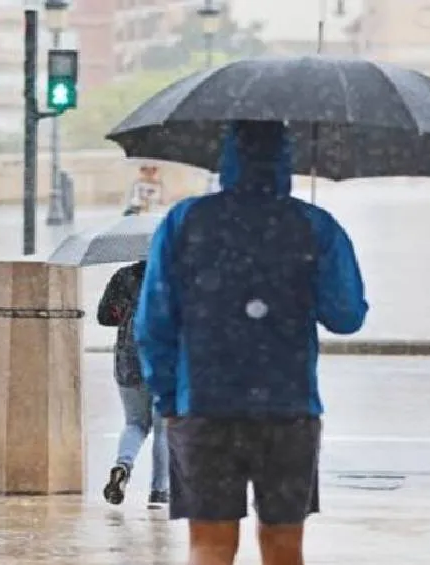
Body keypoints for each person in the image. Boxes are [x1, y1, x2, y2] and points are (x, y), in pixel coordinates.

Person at [135, 120, 368, 565]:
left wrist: (170, 399)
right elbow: (346, 316)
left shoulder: (185, 221)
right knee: (283, 547)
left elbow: (153, 322)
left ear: (226, 158)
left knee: (209, 545)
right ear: (286, 160)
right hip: (289, 408)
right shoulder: (314, 225)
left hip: (203, 405)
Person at [98, 260, 169, 509]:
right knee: (164, 429)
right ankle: (159, 492)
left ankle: (123, 465)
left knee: (135, 424)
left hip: (129, 359)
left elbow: (104, 316)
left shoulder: (124, 275)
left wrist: (125, 310)